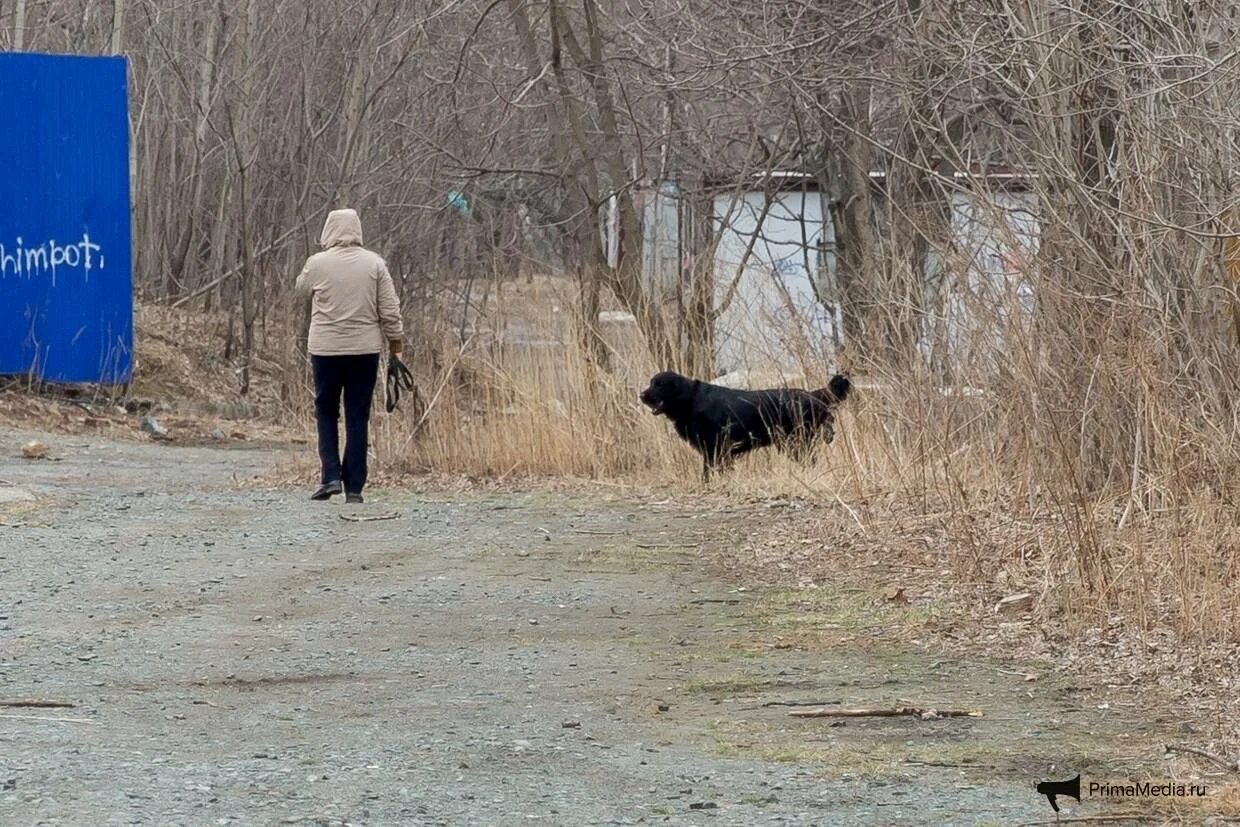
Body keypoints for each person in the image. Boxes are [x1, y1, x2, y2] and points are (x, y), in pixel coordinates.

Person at [295, 209, 404, 504]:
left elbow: (300, 292)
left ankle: (330, 475)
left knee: (326, 411)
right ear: (357, 230)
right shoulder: (375, 264)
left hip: (325, 351)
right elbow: (390, 311)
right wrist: (396, 345)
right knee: (358, 415)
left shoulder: (316, 264)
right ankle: (354, 487)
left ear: (329, 230)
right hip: (364, 351)